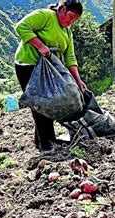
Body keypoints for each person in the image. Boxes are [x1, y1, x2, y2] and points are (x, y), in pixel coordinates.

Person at [14, 0, 85, 153]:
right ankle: (47, 146)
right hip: (28, 65)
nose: (71, 22)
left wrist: (78, 81)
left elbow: (70, 58)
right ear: (63, 9)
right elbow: (21, 26)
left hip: (49, 69)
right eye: (70, 17)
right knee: (41, 104)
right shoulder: (46, 16)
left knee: (49, 103)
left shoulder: (67, 32)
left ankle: (42, 140)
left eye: (75, 20)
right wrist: (40, 46)